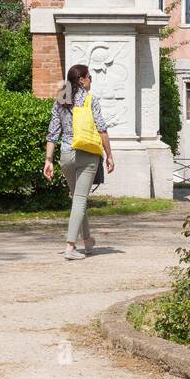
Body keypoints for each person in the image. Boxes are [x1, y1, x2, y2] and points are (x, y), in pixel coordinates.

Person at [43, 64, 114, 260]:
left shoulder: (61, 99)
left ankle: (88, 240)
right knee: (80, 199)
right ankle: (70, 246)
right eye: (89, 77)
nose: (91, 80)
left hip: (66, 155)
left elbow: (52, 133)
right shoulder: (91, 100)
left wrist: (48, 160)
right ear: (82, 80)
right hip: (87, 154)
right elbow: (101, 129)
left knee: (77, 199)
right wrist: (109, 155)